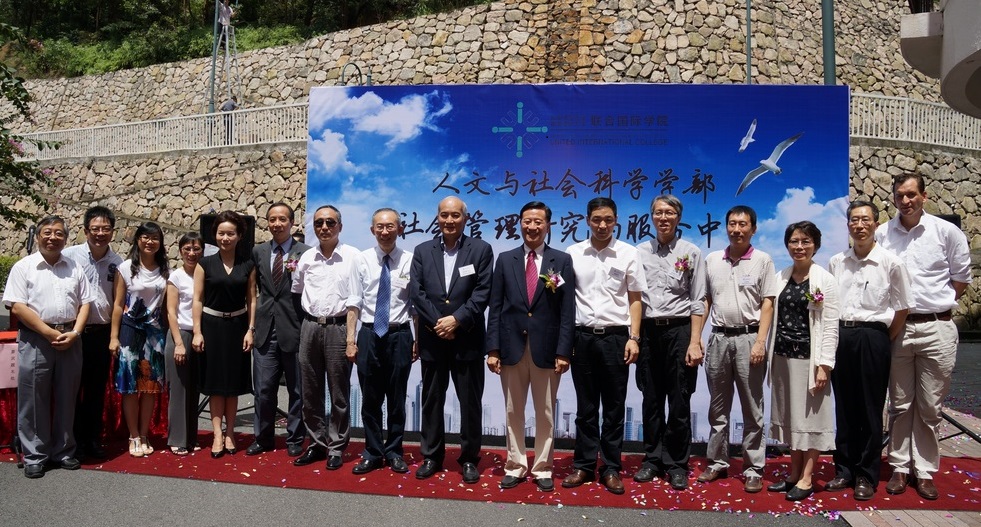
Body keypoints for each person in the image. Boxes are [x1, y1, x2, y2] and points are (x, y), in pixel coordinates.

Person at [876, 173, 972, 500]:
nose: (906, 201)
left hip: (937, 327)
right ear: (893, 198)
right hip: (898, 328)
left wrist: (937, 306)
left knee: (930, 406)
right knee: (900, 404)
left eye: (911, 194)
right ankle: (899, 467)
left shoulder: (946, 232)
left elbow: (961, 278)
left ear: (924, 196)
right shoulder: (882, 234)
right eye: (900, 195)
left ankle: (926, 470)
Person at [486, 201, 575, 493]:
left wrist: (563, 351)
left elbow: (567, 311)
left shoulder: (560, 261)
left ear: (548, 225)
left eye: (538, 222)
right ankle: (515, 465)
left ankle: (543, 468)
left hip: (547, 350)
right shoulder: (505, 259)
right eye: (527, 221)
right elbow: (495, 308)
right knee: (513, 411)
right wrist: (493, 349)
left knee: (545, 412)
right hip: (511, 348)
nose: (532, 227)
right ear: (520, 223)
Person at [827, 200, 913, 500]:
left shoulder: (891, 263)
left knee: (870, 408)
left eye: (865, 220)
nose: (859, 225)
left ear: (876, 224)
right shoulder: (837, 262)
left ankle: (866, 474)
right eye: (854, 220)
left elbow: (902, 308)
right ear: (848, 225)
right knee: (844, 406)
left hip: (873, 336)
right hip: (842, 335)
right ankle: (844, 469)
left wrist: (882, 338)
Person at [561, 197, 646, 495]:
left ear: (616, 221)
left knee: (613, 407)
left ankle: (611, 468)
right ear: (587, 220)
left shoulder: (628, 253)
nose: (602, 225)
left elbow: (636, 299)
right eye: (596, 219)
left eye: (608, 219)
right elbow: (564, 299)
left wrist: (634, 337)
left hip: (615, 338)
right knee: (585, 408)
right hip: (582, 338)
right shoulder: (572, 254)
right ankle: (584, 465)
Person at [3, 216, 95, 478]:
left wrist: (75, 332)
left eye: (58, 233)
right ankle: (35, 455)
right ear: (38, 236)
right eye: (47, 232)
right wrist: (48, 332)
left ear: (66, 239)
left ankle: (64, 450)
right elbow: (17, 306)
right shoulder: (24, 267)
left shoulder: (74, 267)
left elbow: (86, 303)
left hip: (70, 337)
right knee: (33, 398)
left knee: (68, 396)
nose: (53, 237)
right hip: (36, 338)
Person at [410, 196, 493, 484]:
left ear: (465, 219)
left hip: (467, 339)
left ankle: (469, 458)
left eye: (455, 215)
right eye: (444, 215)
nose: (449, 220)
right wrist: (439, 323)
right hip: (433, 339)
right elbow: (417, 292)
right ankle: (431, 456)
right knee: (432, 400)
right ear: (437, 217)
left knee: (470, 404)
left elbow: (482, 292)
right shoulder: (422, 251)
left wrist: (457, 320)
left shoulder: (481, 249)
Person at [698, 205, 778, 494]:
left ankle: (753, 467)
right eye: (732, 224)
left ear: (753, 229)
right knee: (717, 407)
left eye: (743, 224)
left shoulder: (763, 260)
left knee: (752, 408)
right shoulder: (712, 260)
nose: (737, 229)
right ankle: (717, 462)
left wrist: (760, 342)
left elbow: (768, 303)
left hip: (749, 339)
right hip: (719, 338)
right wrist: (697, 338)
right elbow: (705, 300)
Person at [633, 195, 706, 491]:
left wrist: (695, 341)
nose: (664, 218)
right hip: (648, 331)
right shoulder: (639, 252)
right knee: (650, 399)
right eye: (658, 212)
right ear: (651, 217)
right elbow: (633, 297)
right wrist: (634, 337)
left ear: (678, 217)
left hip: (680, 331)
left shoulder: (691, 252)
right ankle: (652, 460)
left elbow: (698, 299)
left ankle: (676, 464)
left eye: (670, 213)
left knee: (679, 399)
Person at [764, 221, 839, 501]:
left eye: (805, 241)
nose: (799, 247)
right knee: (792, 417)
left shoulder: (824, 280)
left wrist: (824, 365)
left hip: (811, 360)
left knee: (813, 419)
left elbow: (830, 326)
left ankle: (807, 478)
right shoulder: (780, 276)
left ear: (815, 245)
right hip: (783, 357)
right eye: (794, 241)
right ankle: (793, 474)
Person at [347, 208, 415, 475]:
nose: (385, 232)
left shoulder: (410, 260)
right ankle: (373, 452)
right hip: (368, 334)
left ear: (400, 229)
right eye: (380, 227)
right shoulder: (361, 259)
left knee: (397, 399)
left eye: (390, 227)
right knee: (370, 399)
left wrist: (418, 340)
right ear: (372, 230)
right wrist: (350, 340)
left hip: (400, 334)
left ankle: (395, 451)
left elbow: (415, 305)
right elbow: (354, 302)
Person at [291, 205, 360, 471]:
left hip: (338, 328)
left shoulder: (352, 257)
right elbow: (297, 291)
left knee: (339, 392)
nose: (324, 227)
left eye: (330, 222)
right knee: (310, 390)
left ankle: (337, 447)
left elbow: (355, 300)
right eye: (319, 222)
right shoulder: (307, 257)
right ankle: (317, 443)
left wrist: (351, 338)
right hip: (310, 326)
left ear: (340, 226)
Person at [246, 203, 310, 458]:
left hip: (295, 328)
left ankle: (295, 438)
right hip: (265, 330)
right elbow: (253, 290)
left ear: (292, 223)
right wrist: (251, 327)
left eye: (282, 219)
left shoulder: (305, 252)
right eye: (272, 219)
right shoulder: (258, 251)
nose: (277, 224)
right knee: (263, 389)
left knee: (297, 390)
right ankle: (263, 438)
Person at [192, 210, 256, 459]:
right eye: (221, 233)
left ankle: (231, 432)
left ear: (239, 236)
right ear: (214, 235)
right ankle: (217, 434)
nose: (225, 238)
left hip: (238, 327)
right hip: (212, 327)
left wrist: (250, 329)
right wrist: (197, 332)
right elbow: (197, 299)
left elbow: (252, 299)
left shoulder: (247, 264)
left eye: (230, 234)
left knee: (233, 384)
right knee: (216, 385)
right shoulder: (204, 264)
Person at [63, 206, 123, 460]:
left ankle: (93, 439)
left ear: (112, 232)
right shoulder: (69, 256)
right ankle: (72, 441)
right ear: (86, 230)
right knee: (72, 389)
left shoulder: (118, 262)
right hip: (74, 332)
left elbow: (119, 301)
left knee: (96, 389)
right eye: (95, 229)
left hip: (101, 333)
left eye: (105, 229)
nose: (100, 233)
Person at [109, 222, 169, 457]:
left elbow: (167, 307)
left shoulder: (165, 270)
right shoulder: (125, 268)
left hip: (155, 333)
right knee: (131, 386)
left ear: (160, 243)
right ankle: (133, 435)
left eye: (155, 238)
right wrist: (114, 337)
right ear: (137, 240)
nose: (150, 242)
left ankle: (144, 434)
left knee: (150, 387)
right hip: (129, 330)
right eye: (145, 237)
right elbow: (117, 305)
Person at [164, 232, 205, 456]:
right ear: (180, 251)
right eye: (187, 249)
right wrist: (178, 343)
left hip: (199, 335)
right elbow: (171, 312)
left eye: (196, 249)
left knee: (194, 389)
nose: (192, 253)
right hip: (180, 334)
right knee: (179, 389)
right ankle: (177, 438)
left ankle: (191, 436)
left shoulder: (204, 273)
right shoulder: (176, 277)